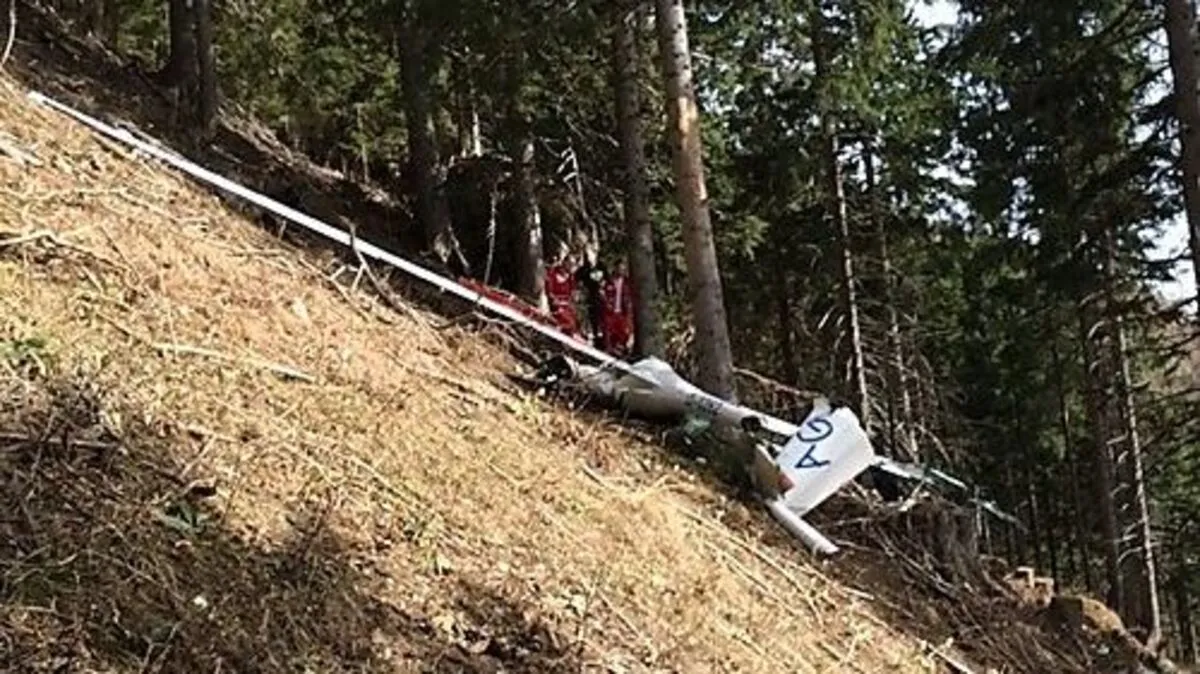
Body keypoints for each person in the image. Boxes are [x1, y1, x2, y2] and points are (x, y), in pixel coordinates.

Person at [600, 259, 635, 357]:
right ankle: (608, 352)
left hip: (622, 312)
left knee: (623, 334)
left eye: (623, 269)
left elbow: (630, 297)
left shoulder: (627, 282)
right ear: (615, 268)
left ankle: (622, 352)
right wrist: (606, 301)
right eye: (619, 268)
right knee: (609, 334)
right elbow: (602, 294)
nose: (621, 271)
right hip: (610, 313)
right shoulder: (608, 281)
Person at [544, 250, 580, 338]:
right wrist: (557, 302)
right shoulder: (553, 273)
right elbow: (549, 292)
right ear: (564, 262)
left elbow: (573, 294)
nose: (571, 266)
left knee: (576, 323)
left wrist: (574, 297)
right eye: (570, 263)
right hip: (556, 308)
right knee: (568, 323)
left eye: (573, 264)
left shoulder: (571, 278)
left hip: (568, 307)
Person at [574, 252, 607, 348]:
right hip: (588, 299)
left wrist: (604, 285)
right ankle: (589, 337)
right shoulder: (583, 269)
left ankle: (602, 340)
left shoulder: (601, 267)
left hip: (600, 298)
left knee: (601, 319)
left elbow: (607, 279)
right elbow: (577, 281)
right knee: (590, 319)